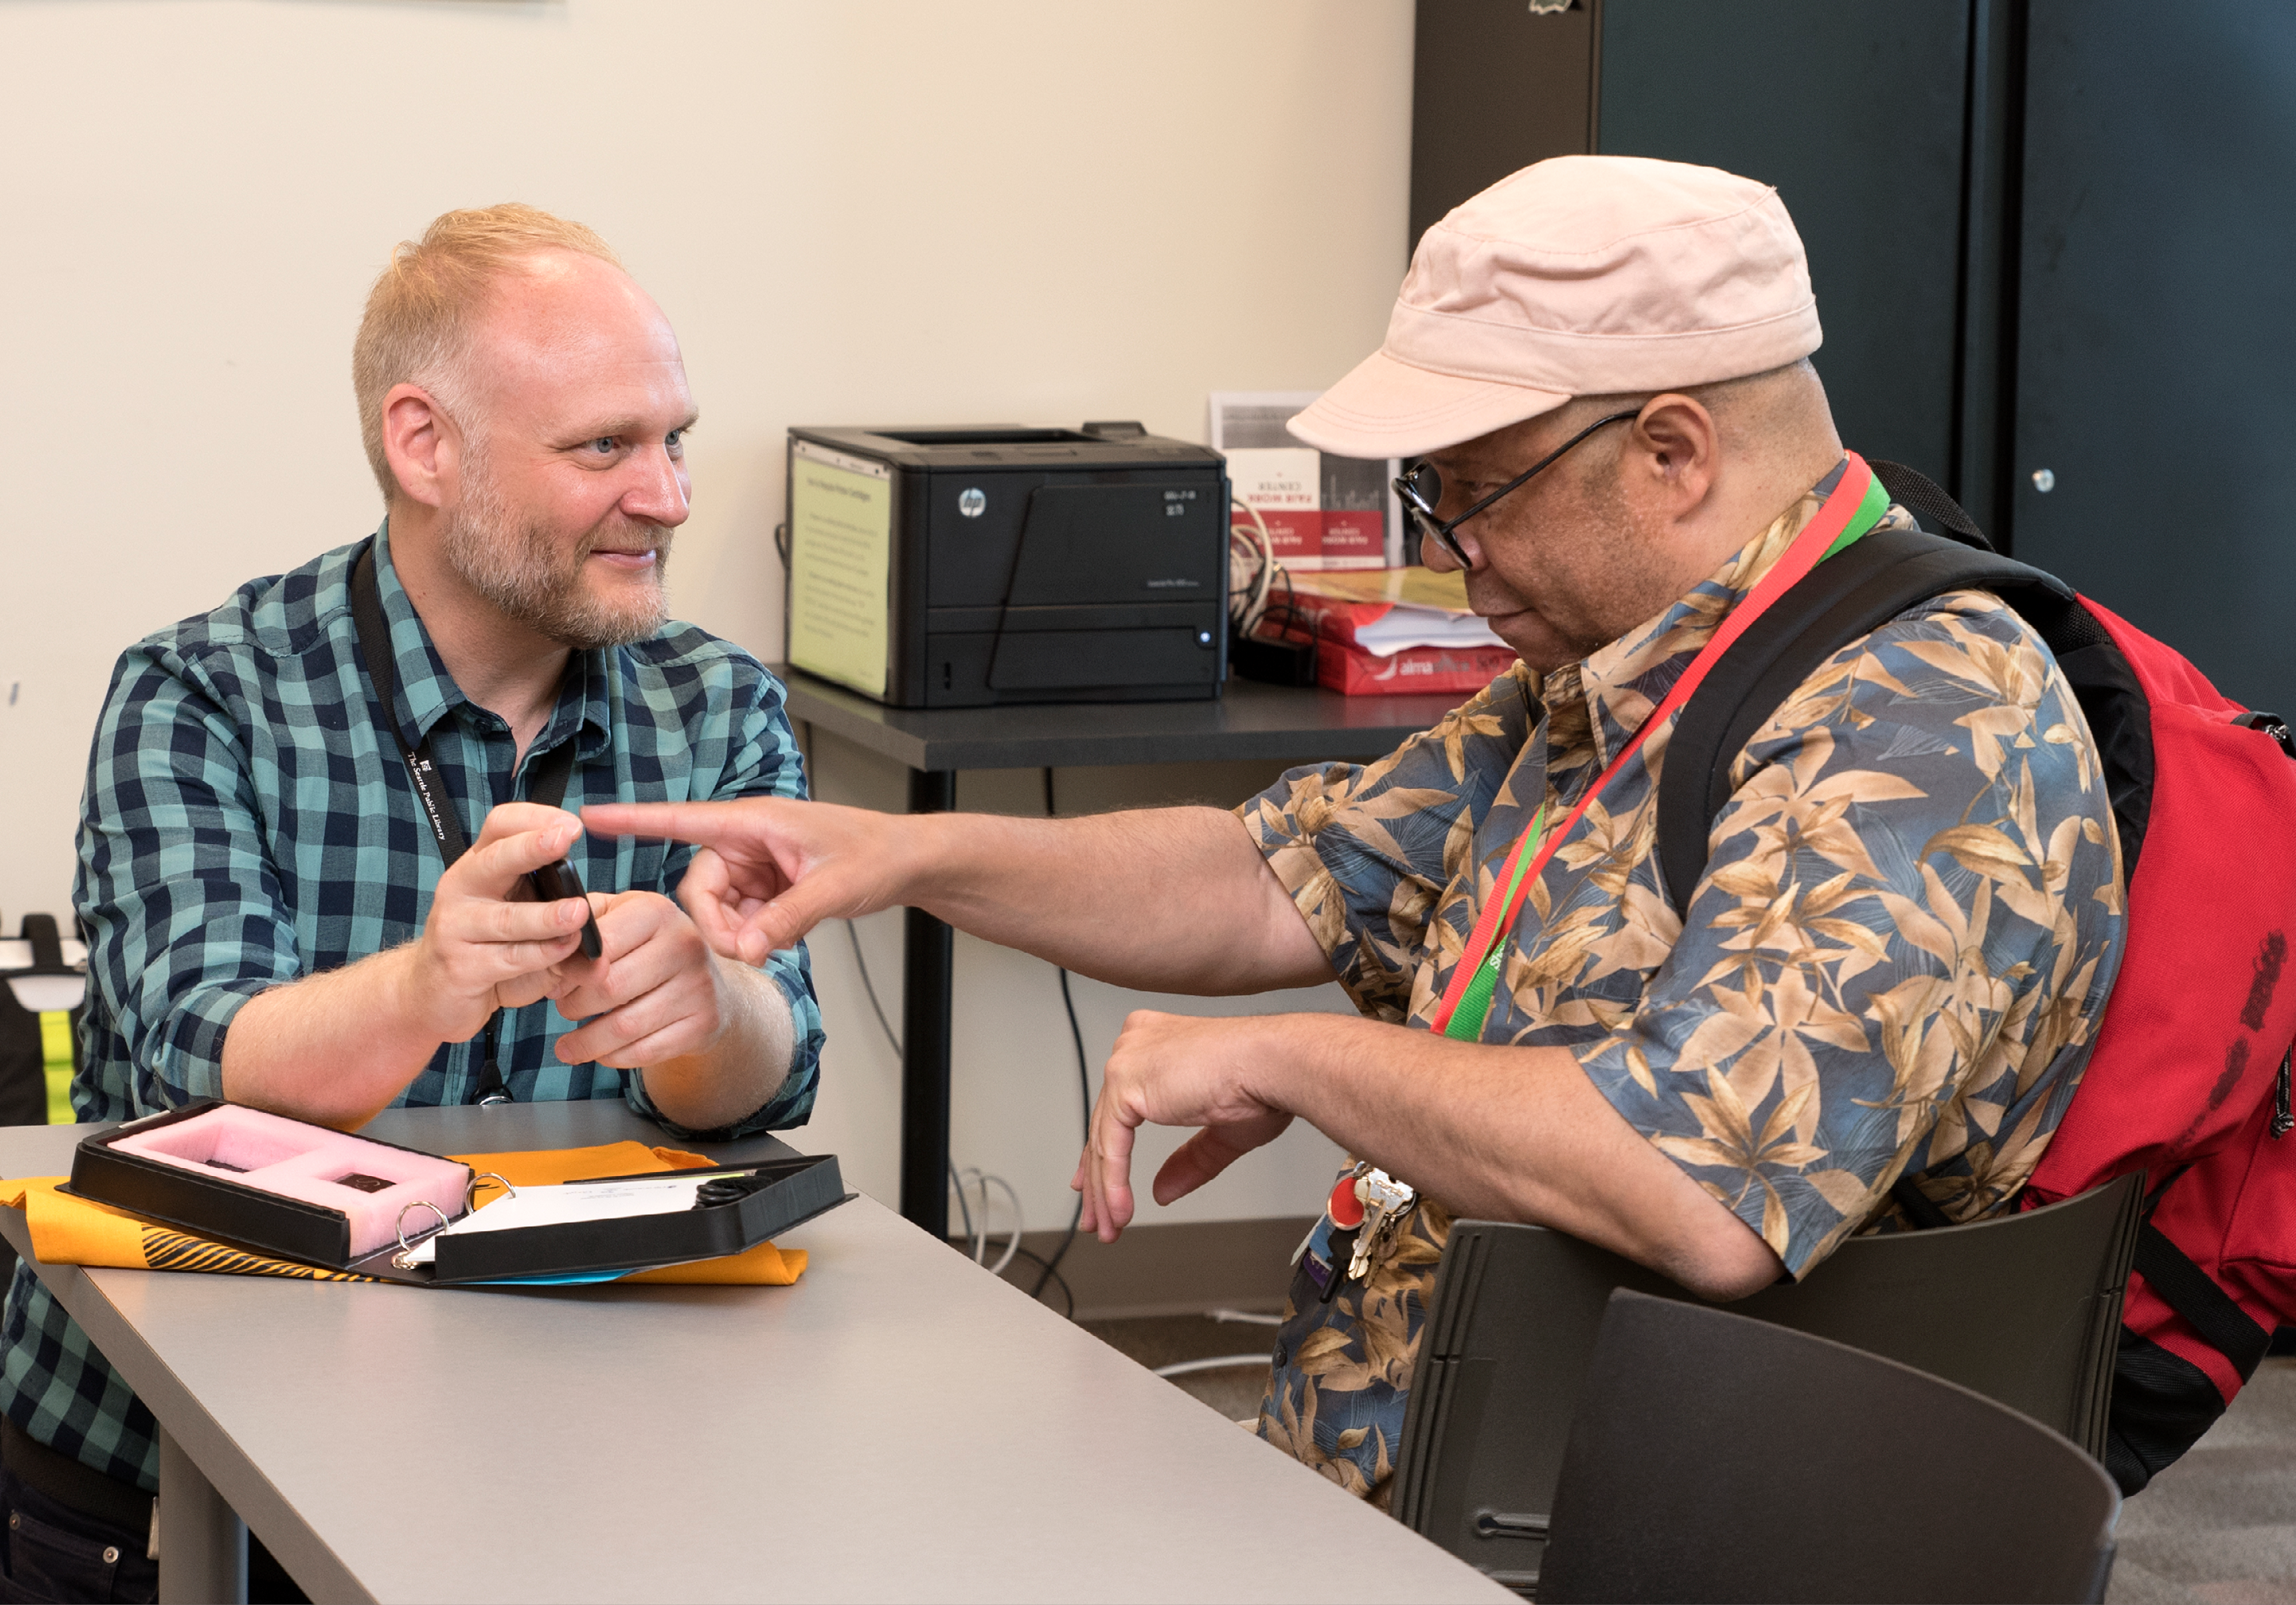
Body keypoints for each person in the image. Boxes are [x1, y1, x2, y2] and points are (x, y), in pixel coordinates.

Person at [591, 155, 2125, 1504]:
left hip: (1641, 1525)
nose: (1456, 559)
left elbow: (1701, 1187)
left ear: (1672, 453)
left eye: (1476, 495)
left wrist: (1297, 1059)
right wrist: (906, 854)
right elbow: (1273, 879)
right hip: (1412, 1469)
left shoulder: (1926, 719)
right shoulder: (1613, 671)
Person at [0, 205, 823, 1598]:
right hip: (161, 1486)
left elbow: (771, 1074)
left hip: (571, 1458)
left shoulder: (722, 706)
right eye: (604, 447)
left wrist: (706, 1005)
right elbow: (195, 1065)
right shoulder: (202, 693)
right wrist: (426, 984)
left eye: (673, 437)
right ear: (422, 444)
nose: (673, 494)